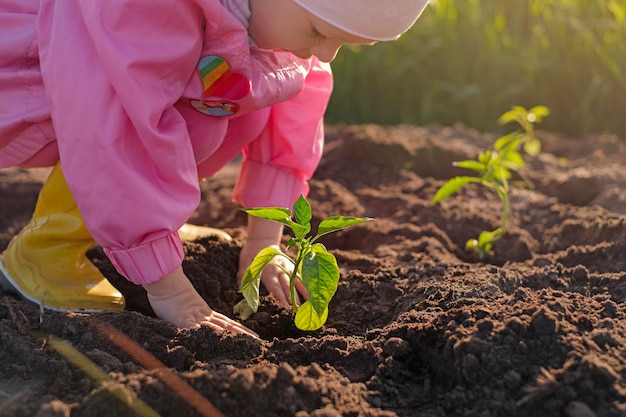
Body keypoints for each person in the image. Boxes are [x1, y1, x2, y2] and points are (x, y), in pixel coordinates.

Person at [0, 0, 429, 337]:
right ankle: (46, 249)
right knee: (192, 119)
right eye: (319, 32)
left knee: (237, 103)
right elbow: (115, 131)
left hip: (102, 97)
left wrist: (264, 243)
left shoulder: (277, 15)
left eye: (344, 43)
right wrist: (168, 288)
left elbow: (294, 104)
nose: (325, 52)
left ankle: (149, 224)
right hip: (32, 68)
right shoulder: (138, 8)